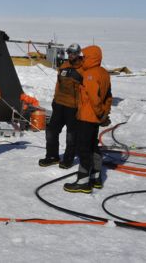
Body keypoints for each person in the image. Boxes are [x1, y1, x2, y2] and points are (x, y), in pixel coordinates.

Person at [64, 45, 112, 193]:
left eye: (84, 56)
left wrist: (99, 113)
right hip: (94, 118)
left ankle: (83, 181)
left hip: (88, 117)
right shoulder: (103, 72)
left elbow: (94, 99)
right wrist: (105, 113)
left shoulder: (90, 74)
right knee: (92, 146)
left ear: (91, 58)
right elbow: (108, 96)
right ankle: (95, 177)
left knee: (83, 149)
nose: (82, 58)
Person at [38, 43, 83, 169]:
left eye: (73, 53)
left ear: (79, 53)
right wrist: (55, 99)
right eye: (69, 52)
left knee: (71, 135)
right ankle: (52, 156)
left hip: (73, 107)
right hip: (59, 104)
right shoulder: (64, 66)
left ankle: (68, 158)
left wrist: (81, 107)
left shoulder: (83, 69)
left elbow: (85, 90)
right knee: (51, 131)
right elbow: (58, 84)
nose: (71, 55)